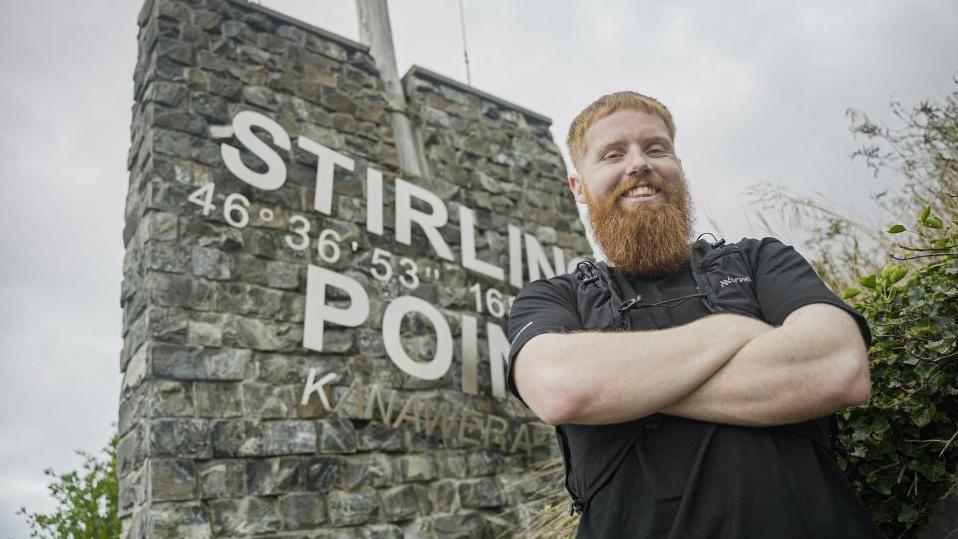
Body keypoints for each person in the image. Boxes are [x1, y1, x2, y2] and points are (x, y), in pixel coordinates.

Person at [506, 91, 881, 538]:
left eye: (656, 148)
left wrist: (624, 391)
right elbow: (561, 390)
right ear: (579, 188)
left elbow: (837, 369)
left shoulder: (760, 261)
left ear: (678, 167)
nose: (639, 164)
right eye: (612, 155)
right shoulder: (553, 299)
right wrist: (734, 329)